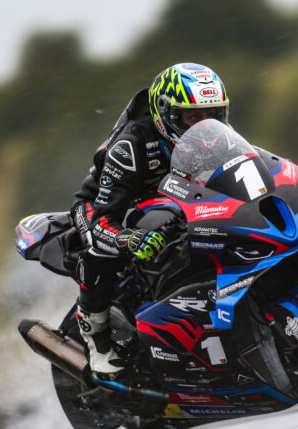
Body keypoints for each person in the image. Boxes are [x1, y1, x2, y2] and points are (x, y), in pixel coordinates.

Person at [71, 63, 230, 377]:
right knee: (103, 249)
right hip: (103, 206)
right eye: (193, 117)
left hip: (169, 198)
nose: (205, 126)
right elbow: (104, 219)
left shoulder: (218, 137)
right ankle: (96, 336)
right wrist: (127, 238)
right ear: (166, 114)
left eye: (213, 115)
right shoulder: (131, 145)